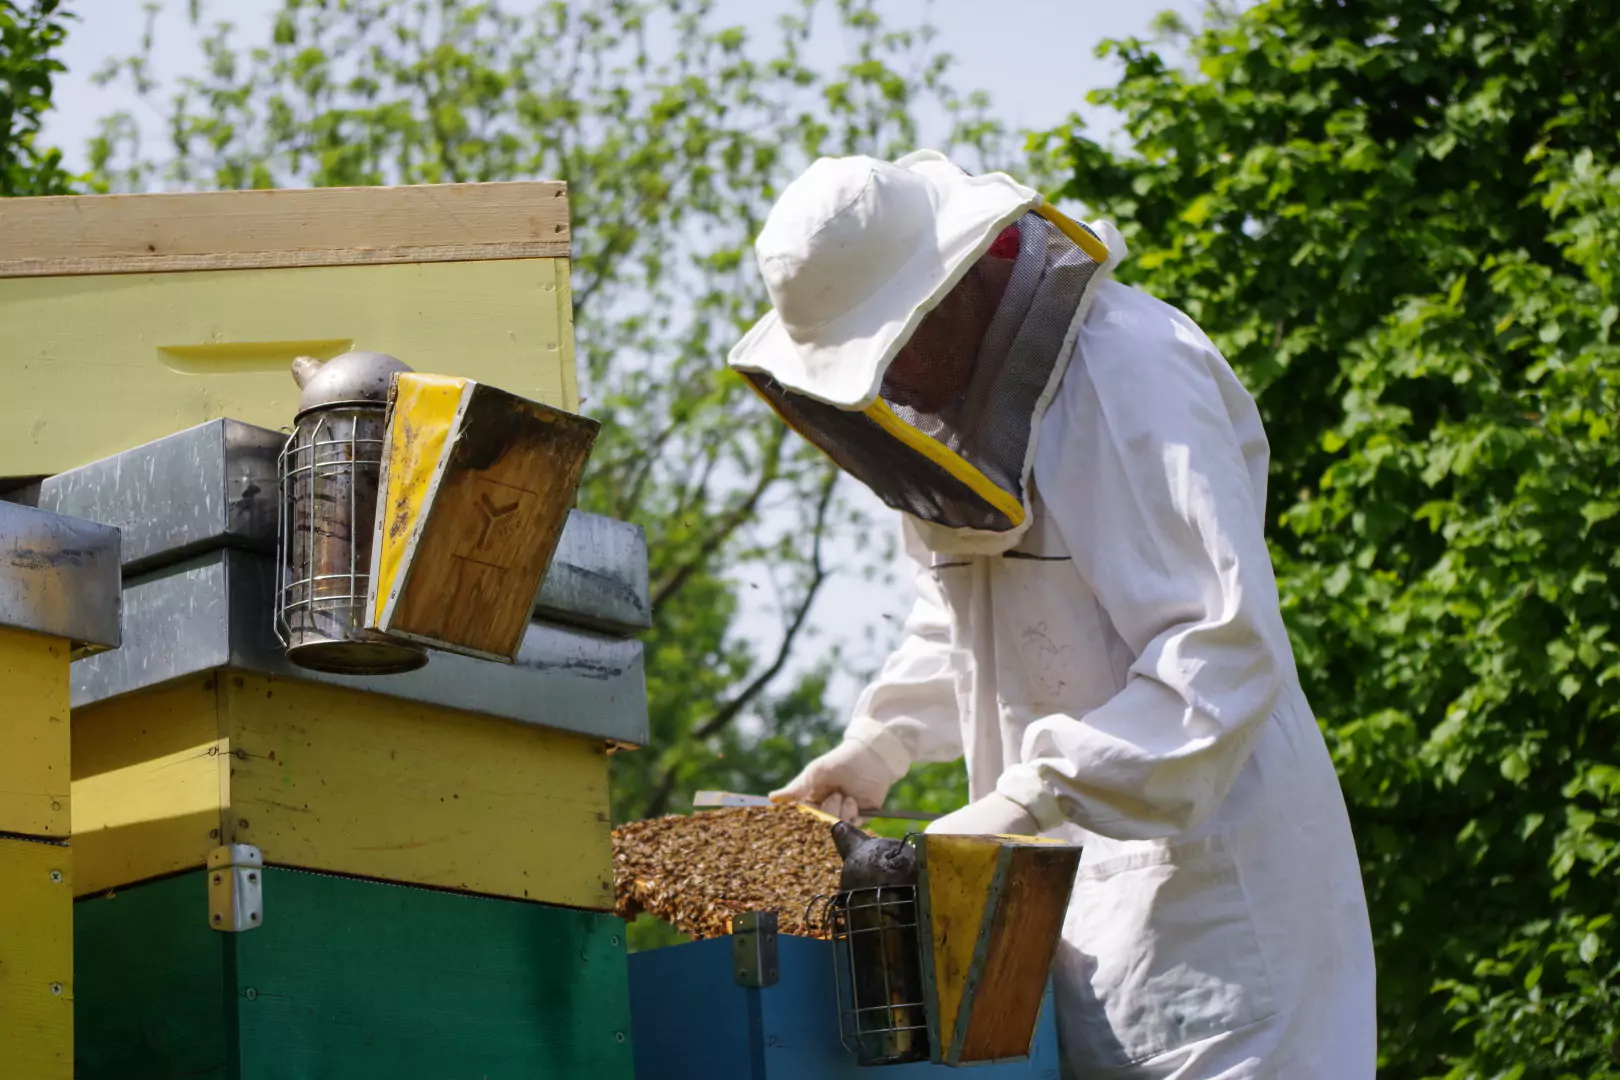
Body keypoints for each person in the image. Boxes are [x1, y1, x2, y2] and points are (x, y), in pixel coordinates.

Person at [727, 150, 1376, 1079]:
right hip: (1078, 928)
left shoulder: (1134, 372)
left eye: (896, 343)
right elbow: (967, 615)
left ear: (978, 266)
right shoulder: (965, 434)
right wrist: (878, 745)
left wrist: (1032, 793)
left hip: (1222, 931)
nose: (891, 384)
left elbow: (1220, 654)